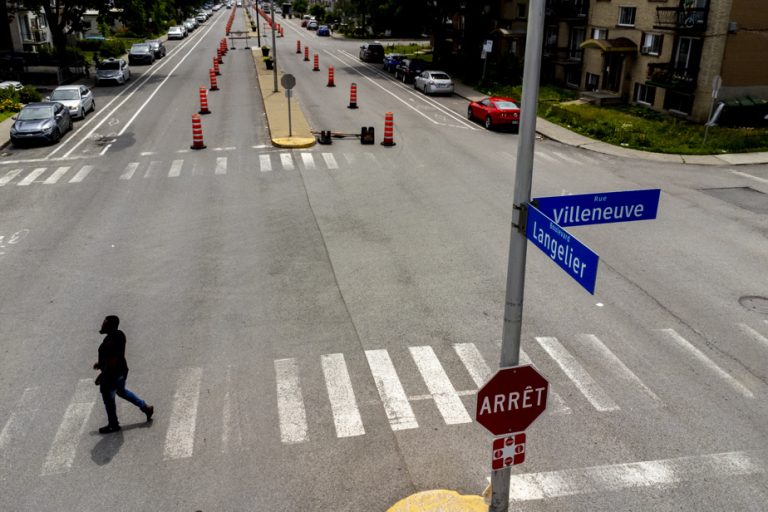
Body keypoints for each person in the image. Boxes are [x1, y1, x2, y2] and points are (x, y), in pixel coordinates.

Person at [94, 315, 154, 434]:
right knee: (121, 391)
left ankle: (113, 424)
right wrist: (101, 363)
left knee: (108, 398)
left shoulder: (110, 342)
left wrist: (101, 375)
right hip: (122, 371)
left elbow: (112, 361)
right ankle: (145, 407)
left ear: (110, 326)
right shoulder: (119, 335)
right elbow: (116, 355)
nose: (102, 325)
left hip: (112, 375)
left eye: (104, 323)